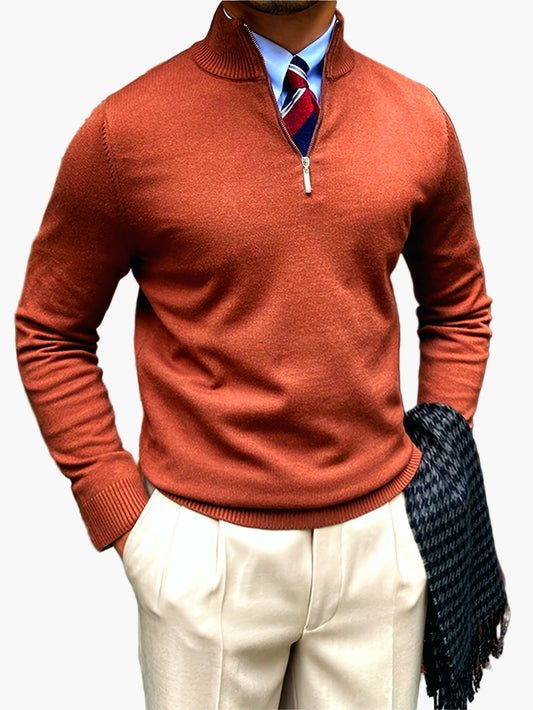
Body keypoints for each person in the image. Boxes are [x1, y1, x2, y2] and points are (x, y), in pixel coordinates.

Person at [15, 1, 492, 708]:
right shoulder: (125, 131)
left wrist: (437, 467)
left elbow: (457, 308)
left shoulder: (419, 118)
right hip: (203, 552)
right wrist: (124, 516)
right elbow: (51, 328)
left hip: (379, 549)